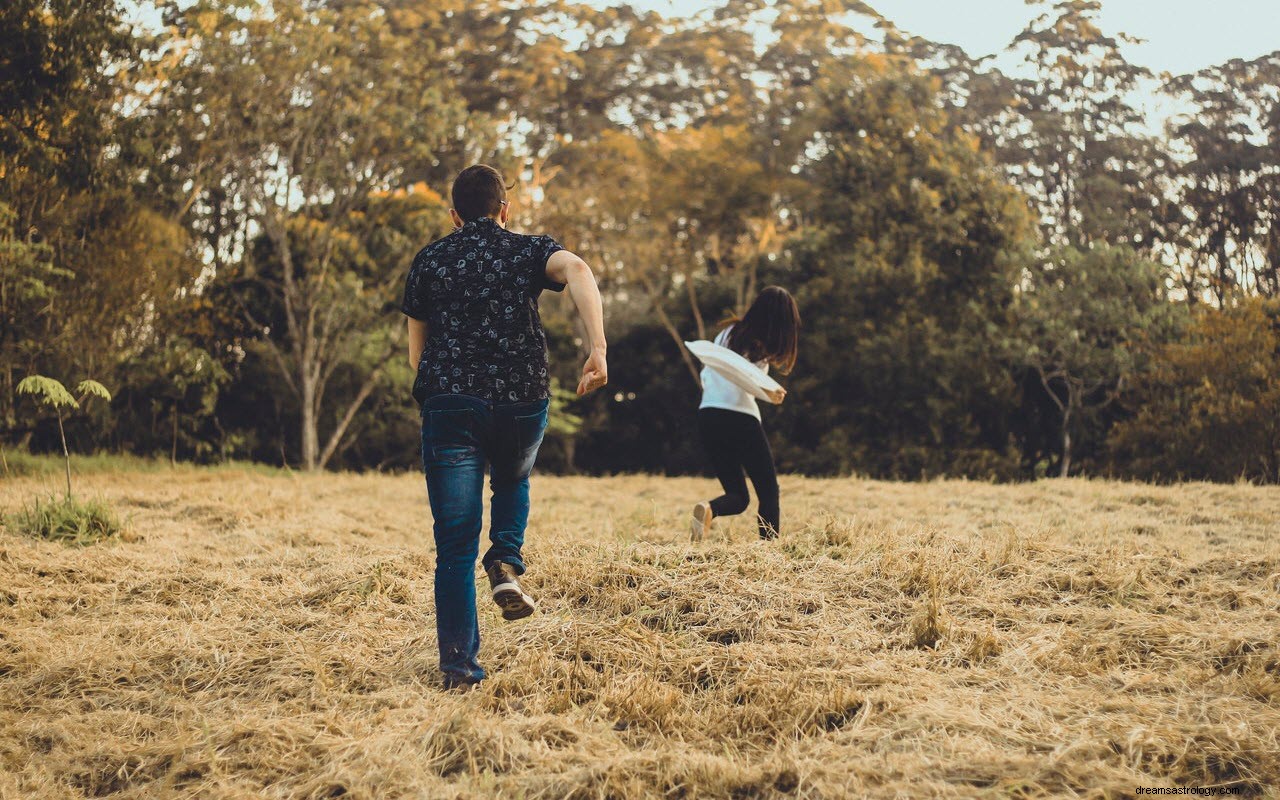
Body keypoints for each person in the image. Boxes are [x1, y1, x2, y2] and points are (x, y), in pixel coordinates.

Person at [401, 164, 608, 690]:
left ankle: (459, 669)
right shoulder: (530, 249)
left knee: (452, 545)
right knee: (513, 479)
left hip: (450, 404)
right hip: (520, 399)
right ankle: (505, 559)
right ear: (504, 210)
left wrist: (437, 395)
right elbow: (580, 271)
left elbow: (415, 351)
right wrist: (598, 349)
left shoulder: (429, 261)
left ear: (454, 216)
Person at [690, 286, 800, 542]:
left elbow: (710, 373)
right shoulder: (759, 344)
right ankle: (769, 551)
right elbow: (751, 381)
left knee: (738, 497)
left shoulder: (726, 333)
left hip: (708, 415)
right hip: (740, 417)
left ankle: (709, 509)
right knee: (769, 492)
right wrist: (772, 392)